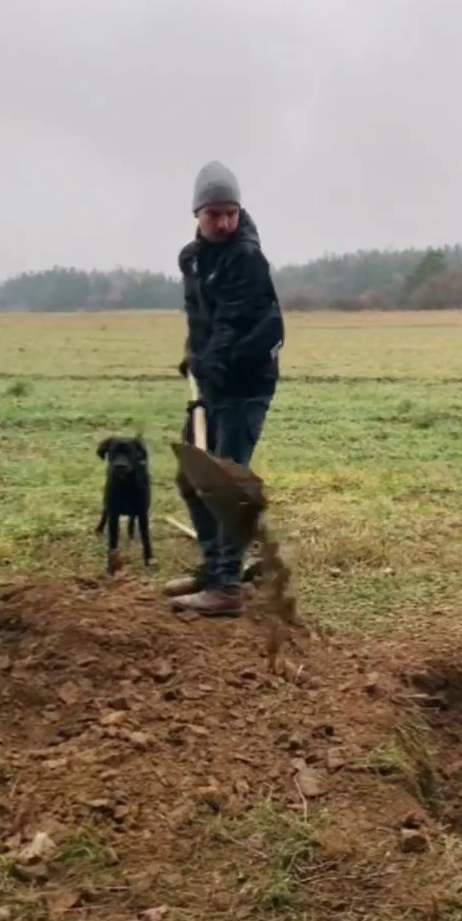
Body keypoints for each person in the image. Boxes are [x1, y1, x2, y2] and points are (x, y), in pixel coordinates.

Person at [165, 161, 284, 616]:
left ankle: (228, 588)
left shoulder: (246, 257)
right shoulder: (192, 259)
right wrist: (193, 353)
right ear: (198, 213)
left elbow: (237, 322)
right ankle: (214, 569)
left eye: (231, 213)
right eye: (215, 213)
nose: (225, 222)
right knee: (191, 476)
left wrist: (211, 359)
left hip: (247, 383)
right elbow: (201, 318)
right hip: (212, 380)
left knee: (224, 481)